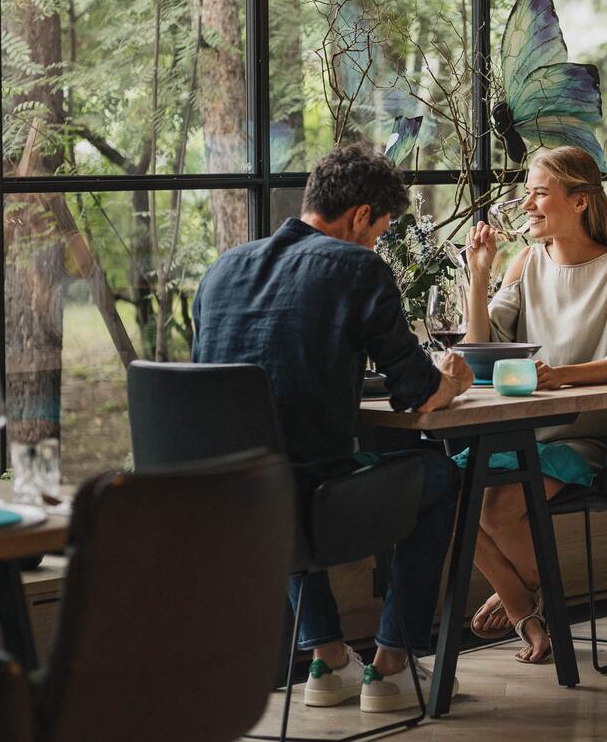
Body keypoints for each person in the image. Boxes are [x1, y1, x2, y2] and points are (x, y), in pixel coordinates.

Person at [192, 146, 474, 712]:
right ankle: (393, 667)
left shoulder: (223, 268)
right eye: (378, 232)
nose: (376, 245)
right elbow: (418, 392)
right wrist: (454, 380)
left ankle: (329, 659)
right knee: (442, 475)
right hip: (316, 506)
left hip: (226, 505)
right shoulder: (357, 267)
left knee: (282, 466)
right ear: (360, 216)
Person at [461, 145, 607, 664]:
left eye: (539, 193)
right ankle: (526, 601)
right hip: (523, 430)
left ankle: (522, 603)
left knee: (499, 508)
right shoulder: (525, 261)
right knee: (446, 495)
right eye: (525, 193)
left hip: (586, 435)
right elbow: (481, 347)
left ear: (579, 201)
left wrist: (557, 377)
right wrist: (479, 275)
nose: (527, 203)